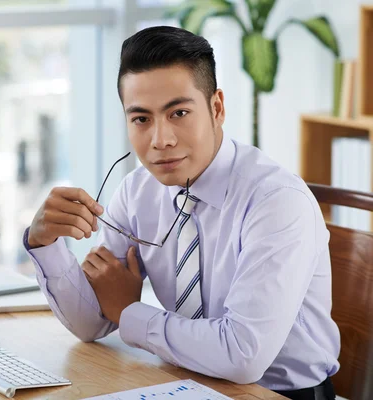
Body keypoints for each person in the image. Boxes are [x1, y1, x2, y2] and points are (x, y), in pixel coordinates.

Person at [23, 26, 340, 400]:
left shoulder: (276, 201)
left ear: (217, 108)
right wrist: (44, 242)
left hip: (279, 394)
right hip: (184, 384)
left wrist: (129, 311)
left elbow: (242, 356)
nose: (161, 140)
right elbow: (92, 321)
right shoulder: (138, 190)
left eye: (179, 113)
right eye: (141, 119)